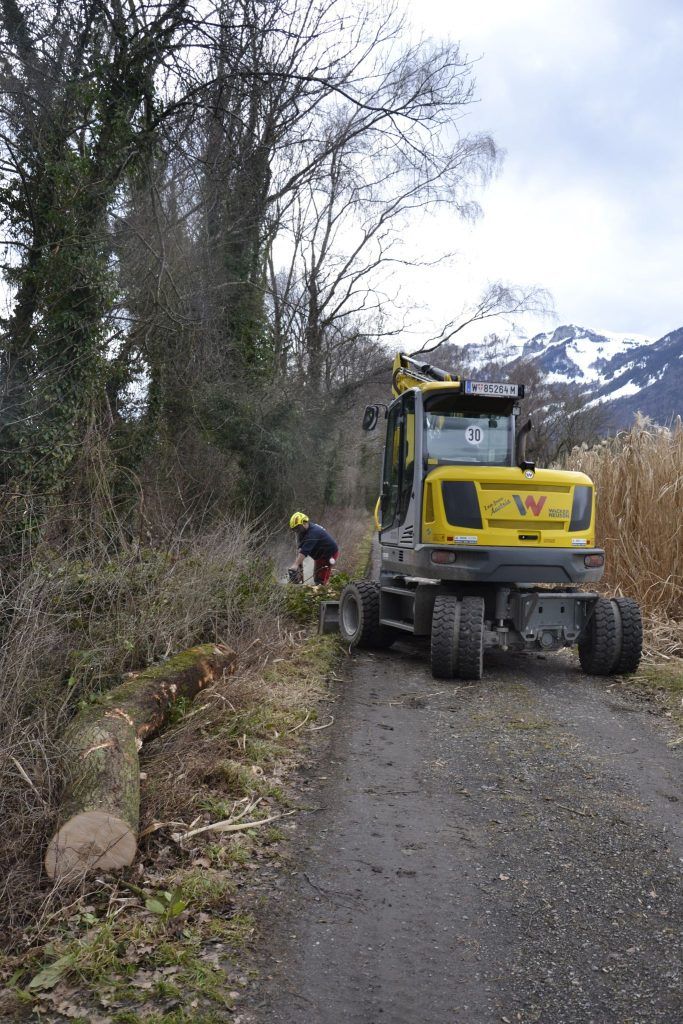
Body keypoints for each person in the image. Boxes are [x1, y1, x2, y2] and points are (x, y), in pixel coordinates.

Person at [289, 512, 339, 585]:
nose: (297, 531)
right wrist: (299, 567)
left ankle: (325, 590)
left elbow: (305, 551)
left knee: (320, 580)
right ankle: (325, 581)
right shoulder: (302, 532)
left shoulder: (313, 532)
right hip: (319, 556)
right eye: (295, 529)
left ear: (304, 522)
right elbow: (300, 550)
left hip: (328, 555)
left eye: (298, 528)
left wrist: (295, 565)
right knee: (316, 576)